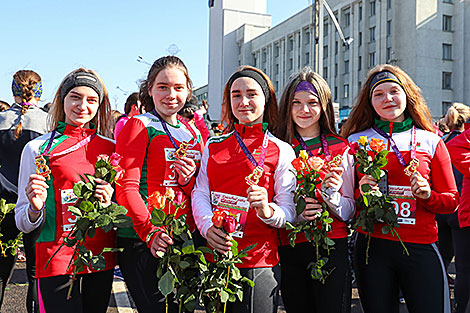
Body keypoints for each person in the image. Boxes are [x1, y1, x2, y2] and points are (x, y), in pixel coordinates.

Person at [342, 64, 458, 313]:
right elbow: (345, 204)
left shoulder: (430, 140)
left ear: (407, 95)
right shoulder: (354, 142)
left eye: (394, 91)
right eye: (379, 94)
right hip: (372, 249)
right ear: (369, 102)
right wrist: (361, 193)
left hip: (421, 247)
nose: (388, 99)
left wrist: (428, 195)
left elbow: (450, 201)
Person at [192, 65, 296, 313]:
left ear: (265, 98)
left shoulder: (281, 150)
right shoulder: (213, 145)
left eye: (251, 94)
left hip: (259, 262)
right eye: (236, 95)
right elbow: (200, 193)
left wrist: (267, 210)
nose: (244, 101)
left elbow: (289, 212)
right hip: (216, 257)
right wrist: (207, 227)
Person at [15, 68, 116, 313]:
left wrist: (109, 206)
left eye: (91, 100)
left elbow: (120, 216)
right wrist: (34, 210)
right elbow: (22, 221)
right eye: (75, 97)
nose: (82, 106)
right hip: (55, 259)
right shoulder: (37, 149)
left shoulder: (112, 149)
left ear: (99, 105)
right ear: (62, 99)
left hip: (99, 258)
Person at [115, 55, 203, 313]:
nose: (171, 95)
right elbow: (126, 187)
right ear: (149, 89)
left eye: (178, 87)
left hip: (183, 238)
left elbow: (196, 190)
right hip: (144, 239)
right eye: (162, 87)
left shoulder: (193, 132)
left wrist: (187, 183)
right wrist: (149, 230)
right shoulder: (139, 125)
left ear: (188, 90)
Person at [275, 67, 355, 313]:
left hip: (332, 245)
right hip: (289, 246)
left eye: (312, 103)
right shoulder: (276, 147)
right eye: (296, 103)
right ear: (287, 106)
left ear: (324, 107)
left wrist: (331, 197)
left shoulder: (341, 147)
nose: (304, 110)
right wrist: (296, 214)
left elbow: (350, 210)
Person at [0, 70, 48, 313]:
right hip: (35, 203)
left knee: (0, 270)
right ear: (39, 91)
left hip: (3, 204)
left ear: (13, 90)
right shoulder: (48, 123)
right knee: (36, 272)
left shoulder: (0, 120)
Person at [445, 103, 470, 313]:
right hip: (461, 210)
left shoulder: (443, 139)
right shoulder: (458, 141)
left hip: (446, 208)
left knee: (456, 268)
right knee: (464, 269)